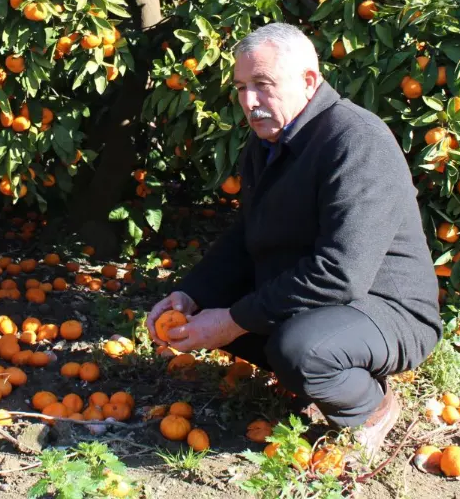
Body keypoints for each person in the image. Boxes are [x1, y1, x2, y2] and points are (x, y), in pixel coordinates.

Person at [145, 22, 441, 453]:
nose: (250, 101)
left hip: (386, 309)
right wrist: (191, 296)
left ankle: (371, 406)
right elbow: (247, 234)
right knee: (225, 313)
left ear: (308, 80)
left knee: (299, 349)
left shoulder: (355, 139)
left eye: (263, 84)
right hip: (325, 301)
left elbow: (341, 273)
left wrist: (232, 321)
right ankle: (317, 370)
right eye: (242, 87)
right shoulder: (266, 146)